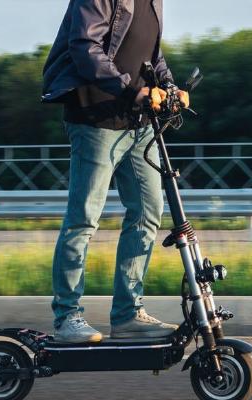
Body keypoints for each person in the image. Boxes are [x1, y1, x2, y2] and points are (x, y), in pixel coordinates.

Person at [41, 0, 189, 343]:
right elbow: (85, 47)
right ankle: (68, 317)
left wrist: (169, 87)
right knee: (83, 219)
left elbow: (150, 54)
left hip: (139, 123)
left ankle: (127, 315)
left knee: (148, 212)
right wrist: (132, 91)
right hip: (95, 118)